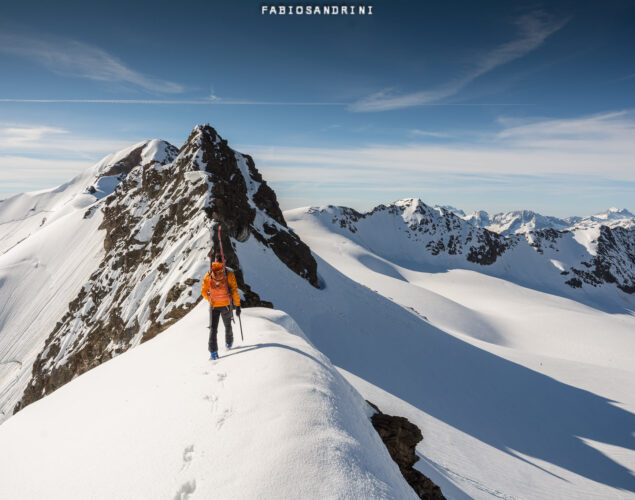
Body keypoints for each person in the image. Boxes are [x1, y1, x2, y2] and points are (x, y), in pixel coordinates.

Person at [201, 253, 241, 359]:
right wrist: (237, 306)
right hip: (226, 305)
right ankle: (229, 343)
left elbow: (204, 292)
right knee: (227, 325)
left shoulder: (209, 274)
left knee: (213, 328)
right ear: (224, 261)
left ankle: (213, 353)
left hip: (214, 306)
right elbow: (235, 291)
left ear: (214, 260)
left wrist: (210, 299)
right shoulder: (229, 274)